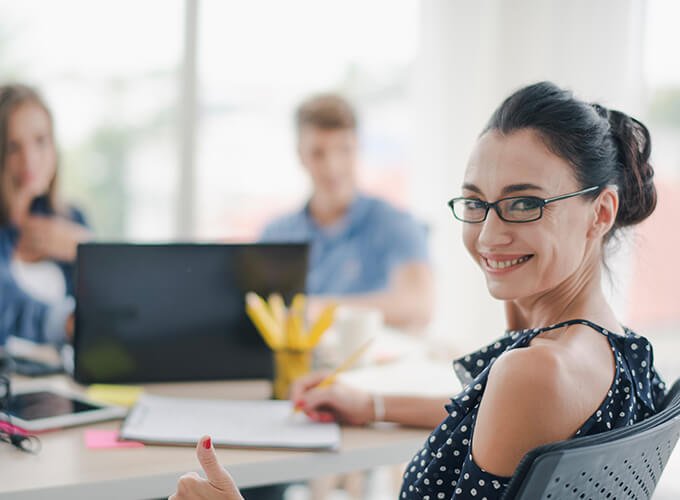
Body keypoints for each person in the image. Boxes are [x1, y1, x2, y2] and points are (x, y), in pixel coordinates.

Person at [170, 81, 666, 499]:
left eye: (523, 205)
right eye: (475, 203)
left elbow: (512, 396)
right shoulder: (610, 351)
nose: (489, 236)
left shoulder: (534, 371)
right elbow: (492, 410)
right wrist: (375, 407)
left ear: (600, 212)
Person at [260, 93, 434, 330]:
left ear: (358, 148)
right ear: (300, 155)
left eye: (344, 149)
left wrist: (322, 309)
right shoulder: (276, 234)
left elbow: (418, 306)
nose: (332, 166)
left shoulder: (395, 224)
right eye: (318, 153)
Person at [0, 84, 91, 346]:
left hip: (65, 379)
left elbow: (111, 302)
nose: (29, 161)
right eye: (13, 147)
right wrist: (66, 323)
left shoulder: (72, 220)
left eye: (40, 141)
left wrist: (85, 249)